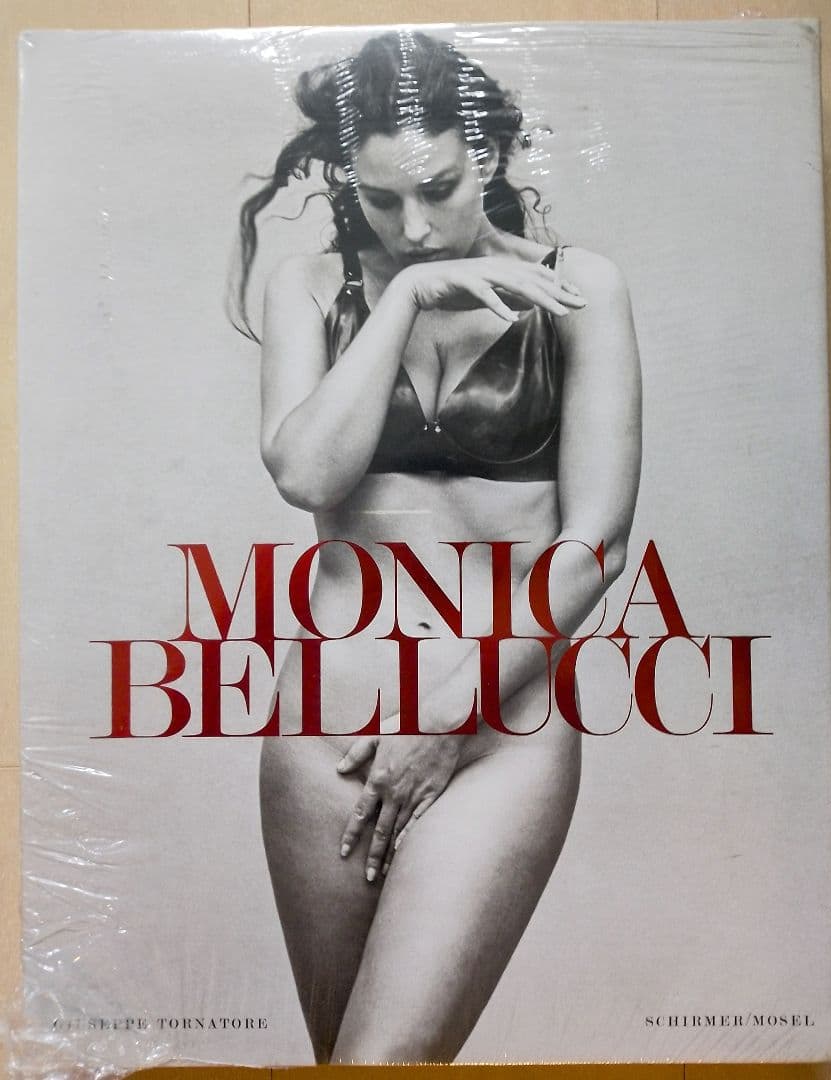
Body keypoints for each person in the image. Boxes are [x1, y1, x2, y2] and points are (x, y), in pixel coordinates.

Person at [233, 29, 642, 1064]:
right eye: (381, 200)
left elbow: (596, 540)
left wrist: (448, 719)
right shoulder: (311, 286)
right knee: (346, 1066)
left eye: (440, 189)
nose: (413, 227)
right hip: (326, 733)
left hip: (496, 726)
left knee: (386, 1061)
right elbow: (307, 476)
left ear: (489, 157)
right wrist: (408, 297)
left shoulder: (578, 286)